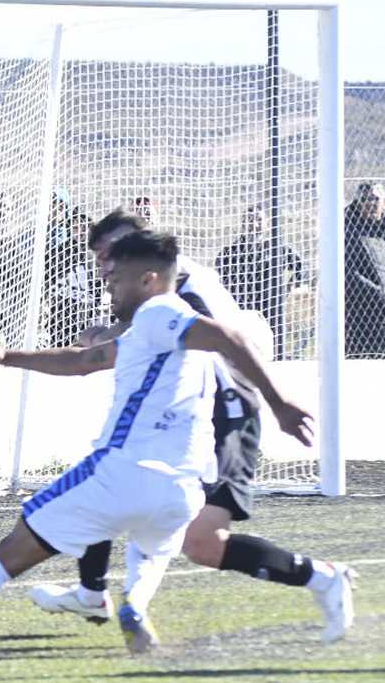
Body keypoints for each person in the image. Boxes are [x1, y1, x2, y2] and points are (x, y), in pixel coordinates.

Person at [0, 229, 317, 659]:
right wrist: (6, 357)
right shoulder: (159, 335)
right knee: (147, 544)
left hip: (124, 472)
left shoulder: (162, 311)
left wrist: (280, 403)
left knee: (9, 554)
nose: (108, 289)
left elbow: (229, 335)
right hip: (182, 492)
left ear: (149, 279)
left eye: (115, 279)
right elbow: (83, 360)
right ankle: (132, 606)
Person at [27, 207, 356, 648]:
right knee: (113, 482)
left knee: (201, 542)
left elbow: (216, 339)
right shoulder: (156, 293)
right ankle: (93, 592)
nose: (106, 267)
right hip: (188, 422)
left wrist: (279, 403)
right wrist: (105, 335)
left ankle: (324, 577)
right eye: (101, 258)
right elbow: (135, 338)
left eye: (111, 254)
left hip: (228, 416)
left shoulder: (185, 288)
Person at [215, 203, 306, 357]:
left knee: (274, 353)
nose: (254, 224)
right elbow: (221, 279)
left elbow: (301, 267)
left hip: (271, 310)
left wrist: (288, 288)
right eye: (249, 220)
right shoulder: (230, 253)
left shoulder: (277, 248)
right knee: (244, 354)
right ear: (243, 224)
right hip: (243, 312)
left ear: (267, 224)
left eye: (258, 220)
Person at [342, 181, 385, 357]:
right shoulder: (348, 231)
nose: (370, 203)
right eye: (365, 199)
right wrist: (380, 295)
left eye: (375, 199)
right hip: (362, 318)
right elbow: (349, 274)